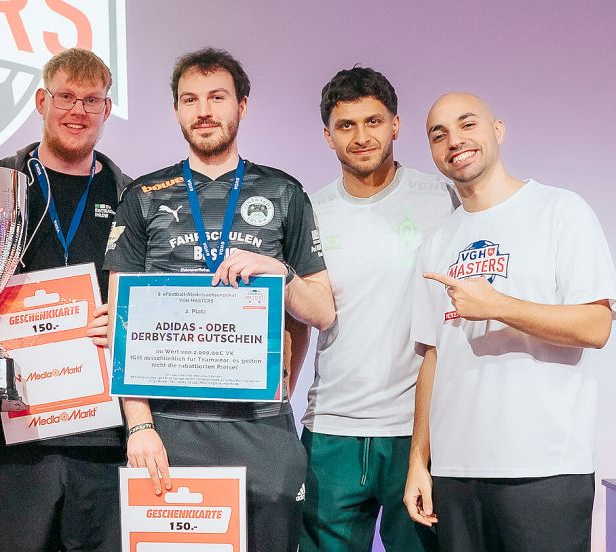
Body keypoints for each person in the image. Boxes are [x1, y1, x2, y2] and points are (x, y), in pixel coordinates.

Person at [90, 47, 334, 551]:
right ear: (177, 110)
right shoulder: (143, 196)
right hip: (169, 426)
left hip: (260, 425)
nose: (203, 111)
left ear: (242, 105)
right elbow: (122, 326)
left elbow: (322, 312)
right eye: (190, 99)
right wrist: (139, 427)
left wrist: (282, 273)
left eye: (217, 97)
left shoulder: (283, 192)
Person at [0, 48, 131, 552]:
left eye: (91, 100)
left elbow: (149, 302)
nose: (77, 111)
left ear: (107, 109)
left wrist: (128, 322)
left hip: (103, 442)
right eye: (65, 97)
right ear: (42, 101)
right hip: (9, 437)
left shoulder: (133, 199)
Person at [404, 92, 616, 551]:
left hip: (545, 469)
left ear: (497, 130)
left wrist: (499, 305)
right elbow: (432, 358)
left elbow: (596, 326)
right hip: (456, 475)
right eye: (439, 135)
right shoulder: (437, 242)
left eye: (468, 124)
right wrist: (419, 461)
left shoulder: (560, 211)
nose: (454, 140)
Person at [300, 67, 454, 551]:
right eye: (346, 125)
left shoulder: (443, 198)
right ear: (327, 135)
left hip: (419, 432)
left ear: (396, 125)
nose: (362, 136)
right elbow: (300, 317)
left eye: (373, 121)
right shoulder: (310, 211)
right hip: (331, 429)